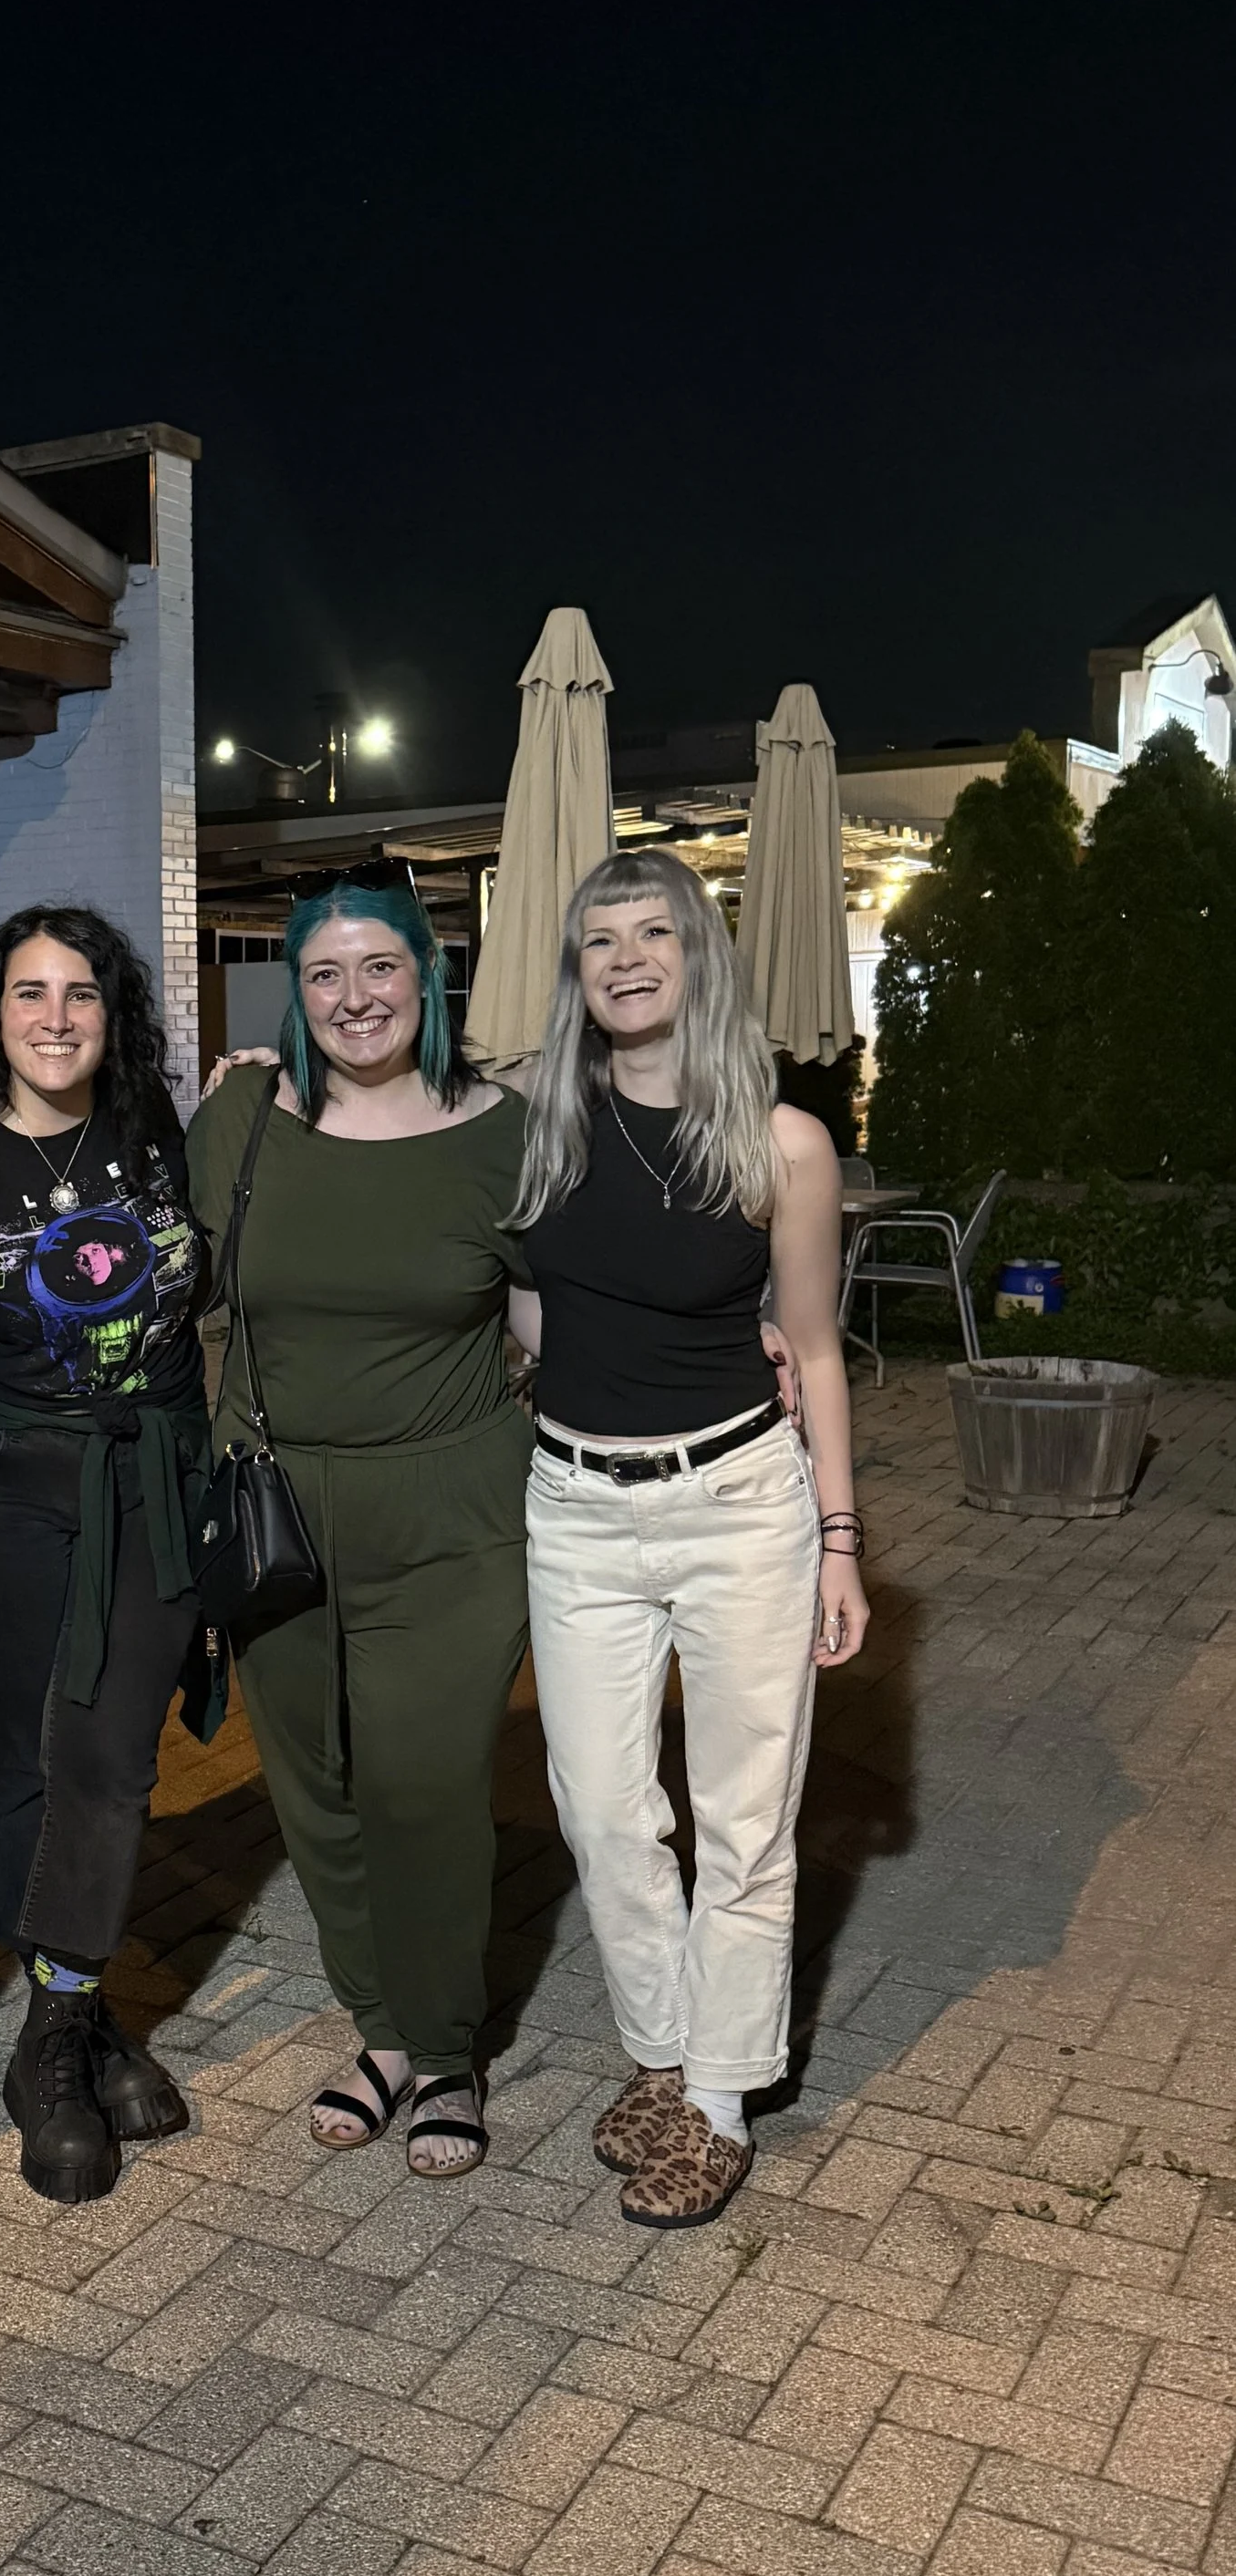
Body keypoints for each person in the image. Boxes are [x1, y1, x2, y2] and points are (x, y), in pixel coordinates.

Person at [510, 848, 868, 2229]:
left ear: (699, 956)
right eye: (599, 940)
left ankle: (715, 2096)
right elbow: (529, 1305)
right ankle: (657, 2054)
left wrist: (840, 1540)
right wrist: (269, 1088)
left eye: (653, 932)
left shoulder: (780, 1144)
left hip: (740, 1507)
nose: (626, 958)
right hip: (577, 1508)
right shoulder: (538, 1121)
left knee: (744, 1818)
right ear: (576, 971)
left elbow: (820, 1353)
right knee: (602, 1810)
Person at [188, 871, 531, 2177]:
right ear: (295, 987)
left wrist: (743, 1342)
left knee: (425, 1783)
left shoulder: (505, 1131)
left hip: (449, 1503)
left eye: (379, 967)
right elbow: (162, 1273)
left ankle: (446, 2050)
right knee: (316, 1782)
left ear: (428, 972)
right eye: (325, 974)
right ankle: (379, 2029)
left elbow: (558, 1319)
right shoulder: (244, 1118)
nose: (354, 997)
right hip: (273, 1501)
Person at [0, 905, 213, 2202]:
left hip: (147, 1479)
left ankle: (55, 2033)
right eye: (28, 993)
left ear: (115, 1013)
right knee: (27, 1761)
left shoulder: (151, 1129)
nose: (55, 1017)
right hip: (12, 1495)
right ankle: (76, 2018)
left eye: (81, 994)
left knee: (109, 1756)